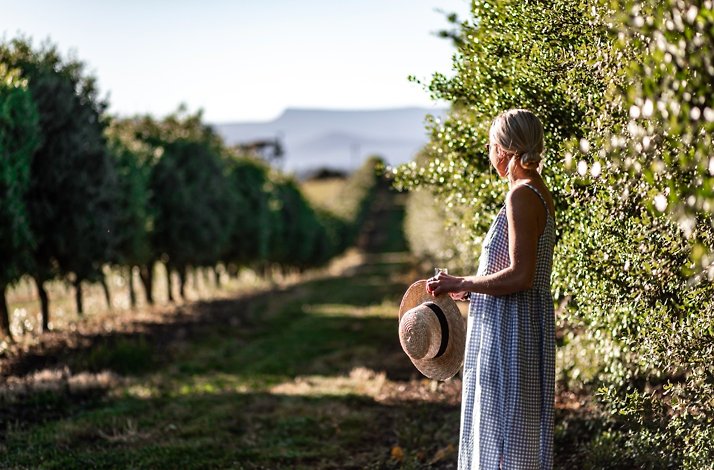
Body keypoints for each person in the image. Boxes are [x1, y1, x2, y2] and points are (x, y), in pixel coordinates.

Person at [426, 109, 556, 469]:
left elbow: (520, 275)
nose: (489, 153)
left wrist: (461, 282)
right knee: (514, 431)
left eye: (490, 145)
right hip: (523, 321)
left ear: (503, 150)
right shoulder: (538, 191)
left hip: (510, 330)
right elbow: (517, 271)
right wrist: (474, 289)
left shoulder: (521, 196)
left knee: (502, 431)